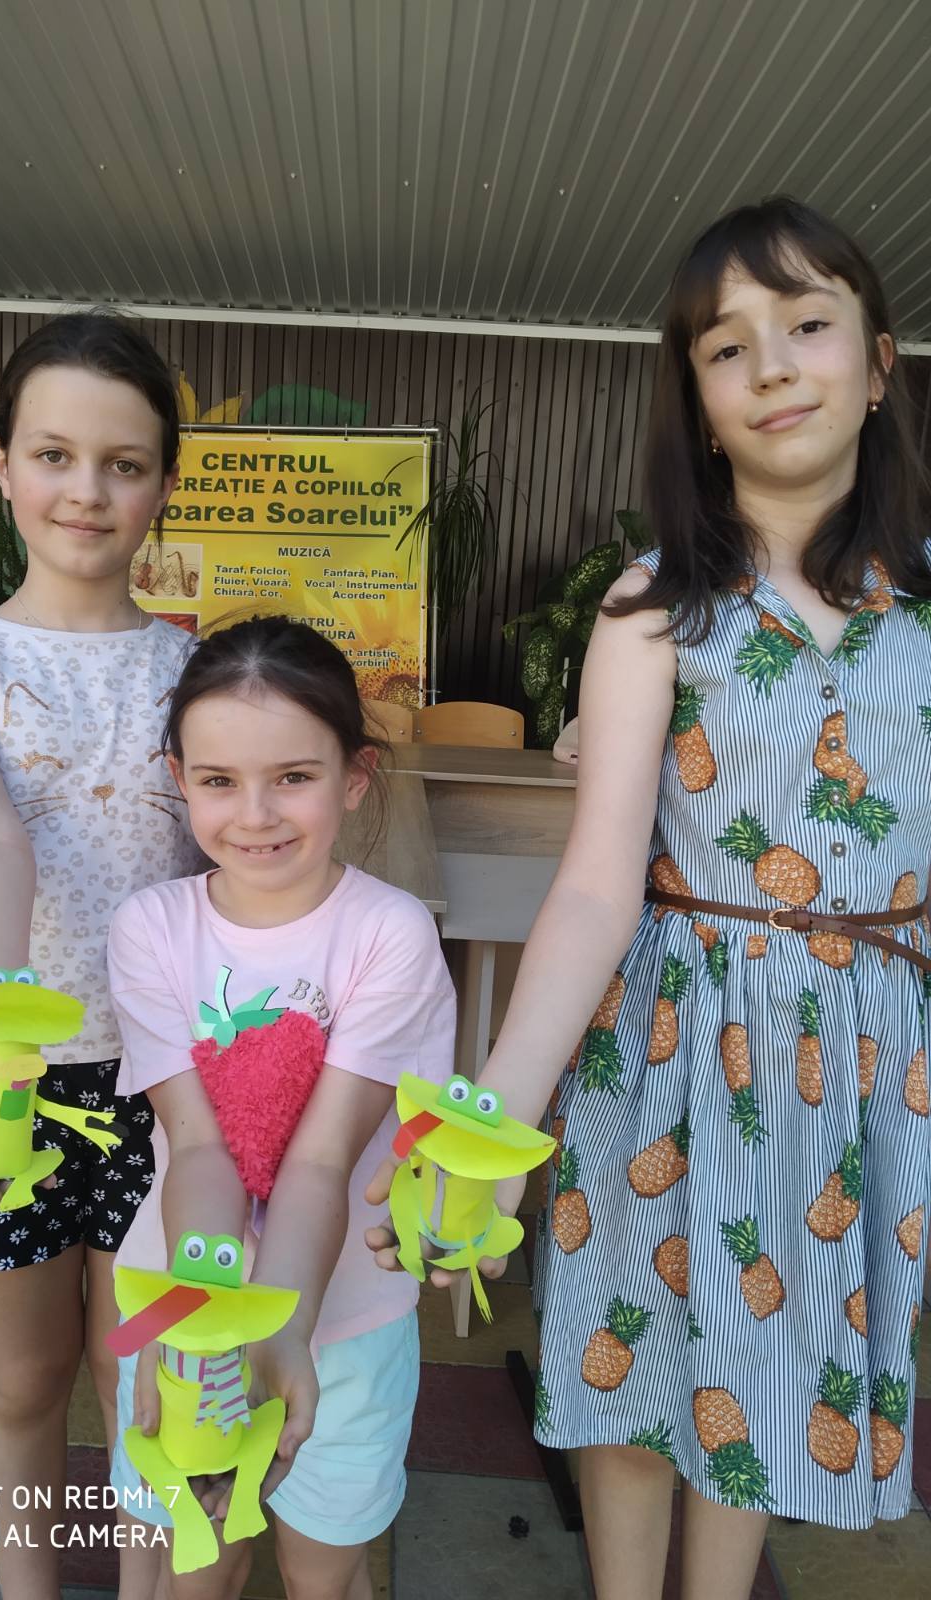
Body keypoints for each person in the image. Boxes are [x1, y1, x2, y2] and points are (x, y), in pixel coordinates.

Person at [369, 197, 931, 1598]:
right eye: (728, 347)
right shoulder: (651, 610)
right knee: (632, 1348)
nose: (773, 366)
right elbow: (592, 889)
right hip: (671, 1038)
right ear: (698, 401)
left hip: (862, 1058)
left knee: (767, 1363)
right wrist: (490, 1124)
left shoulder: (924, 616)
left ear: (878, 367)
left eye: (808, 326)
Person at [0, 312, 202, 1600]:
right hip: (2, 1079)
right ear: (1, 462)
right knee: (22, 1377)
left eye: (124, 464)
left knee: (148, 1384)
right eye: (56, 455)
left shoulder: (198, 672)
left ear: (163, 484)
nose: (87, 491)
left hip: (166, 1086)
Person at [106, 616, 456, 1600]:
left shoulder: (389, 933)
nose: (255, 815)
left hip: (345, 1322)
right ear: (179, 778)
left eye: (294, 776)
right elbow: (198, 1148)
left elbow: (320, 1158)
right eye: (219, 780)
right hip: (188, 1310)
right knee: (198, 1565)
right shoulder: (150, 929)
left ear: (354, 776)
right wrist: (207, 1322)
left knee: (322, 1572)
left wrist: (283, 1328)